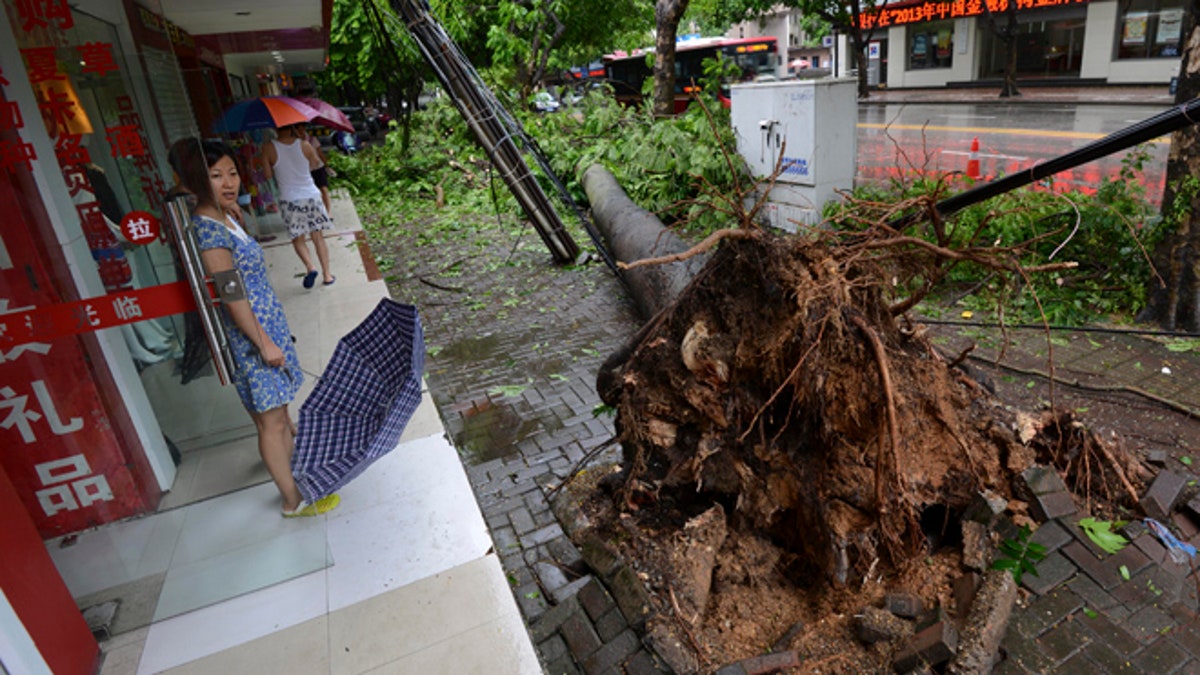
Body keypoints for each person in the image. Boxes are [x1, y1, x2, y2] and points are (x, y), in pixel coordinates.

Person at [175, 138, 339, 518]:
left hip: (266, 322)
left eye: (232, 173)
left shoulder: (225, 216)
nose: (228, 182)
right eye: (216, 176)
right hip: (251, 334)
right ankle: (291, 500)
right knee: (271, 421)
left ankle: (293, 468)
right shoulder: (208, 229)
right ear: (198, 179)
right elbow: (230, 292)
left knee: (280, 413)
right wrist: (262, 342)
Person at [260, 124, 335, 288]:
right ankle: (327, 275)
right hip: (311, 195)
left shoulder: (268, 148)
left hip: (290, 199)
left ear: (274, 128)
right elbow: (316, 163)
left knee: (298, 239)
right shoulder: (304, 144)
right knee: (318, 237)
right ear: (291, 126)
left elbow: (267, 175)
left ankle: (310, 266)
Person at [297, 125, 334, 216]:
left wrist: (326, 165)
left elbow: (320, 152)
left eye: (302, 128)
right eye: (298, 128)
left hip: (318, 168)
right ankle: (319, 211)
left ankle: (327, 212)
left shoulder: (312, 139)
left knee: (323, 189)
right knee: (314, 192)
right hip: (306, 170)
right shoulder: (295, 143)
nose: (301, 130)